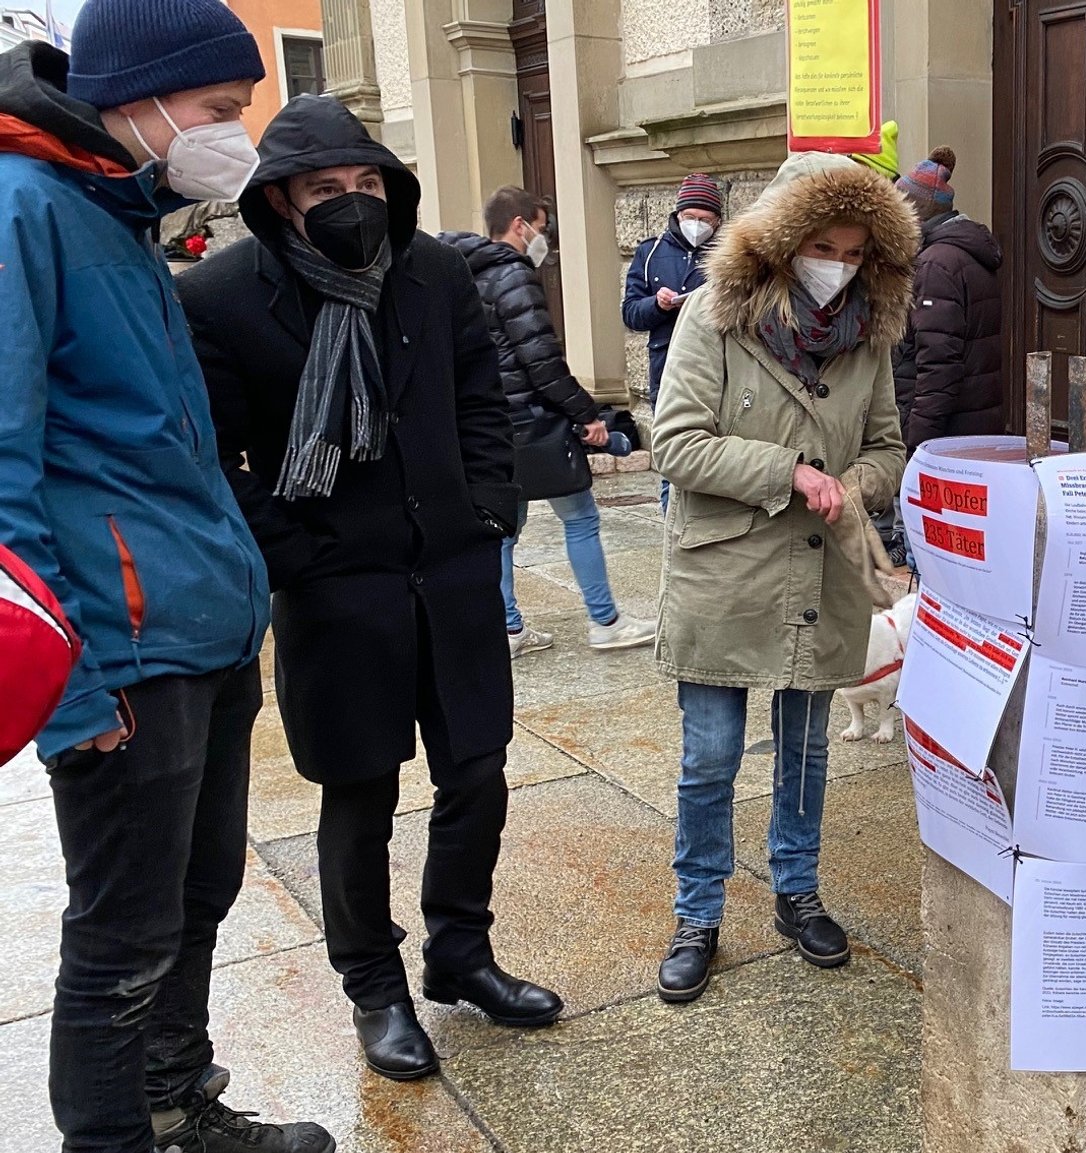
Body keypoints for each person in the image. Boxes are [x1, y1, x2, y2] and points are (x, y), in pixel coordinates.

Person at [0, 4, 333, 1149]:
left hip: (200, 631)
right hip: (119, 649)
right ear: (132, 100)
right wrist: (71, 689)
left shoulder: (115, 208)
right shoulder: (23, 208)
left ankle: (178, 1104)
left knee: (197, 901)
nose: (235, 136)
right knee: (121, 938)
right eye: (217, 112)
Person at [177, 96, 562, 1085]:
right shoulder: (220, 297)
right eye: (324, 190)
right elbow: (217, 457)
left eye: (364, 184)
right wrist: (295, 553)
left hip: (454, 573)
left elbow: (480, 390)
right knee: (359, 796)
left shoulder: (432, 270)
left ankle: (460, 952)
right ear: (279, 201)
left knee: (476, 772)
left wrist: (491, 507)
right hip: (337, 592)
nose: (351, 203)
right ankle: (374, 988)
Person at [649, 151, 915, 1004]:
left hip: (818, 570)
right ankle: (698, 912)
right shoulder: (709, 318)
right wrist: (792, 471)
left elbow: (886, 450)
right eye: (824, 244)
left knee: (803, 751)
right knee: (712, 755)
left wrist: (856, 485)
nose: (838, 264)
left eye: (854, 249)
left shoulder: (868, 335)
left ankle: (797, 893)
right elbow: (677, 442)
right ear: (781, 241)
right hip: (725, 568)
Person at [440, 186, 657, 657]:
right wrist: (587, 417)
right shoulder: (512, 276)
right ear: (520, 225)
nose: (546, 239)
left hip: (488, 423)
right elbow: (541, 361)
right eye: (543, 228)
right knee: (580, 517)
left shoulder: (462, 273)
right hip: (532, 422)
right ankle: (606, 622)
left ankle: (508, 628)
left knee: (503, 527)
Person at [891, 147, 1005, 451]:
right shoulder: (965, 253)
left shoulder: (935, 265)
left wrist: (914, 443)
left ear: (915, 211)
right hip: (973, 421)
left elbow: (938, 364)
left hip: (944, 434)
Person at [623, 174, 723, 510]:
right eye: (690, 218)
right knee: (672, 453)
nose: (697, 225)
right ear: (677, 215)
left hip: (717, 366)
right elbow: (631, 313)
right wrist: (657, 304)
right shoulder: (650, 253)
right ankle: (672, 529)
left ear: (718, 221)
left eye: (705, 220)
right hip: (666, 368)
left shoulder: (729, 253)